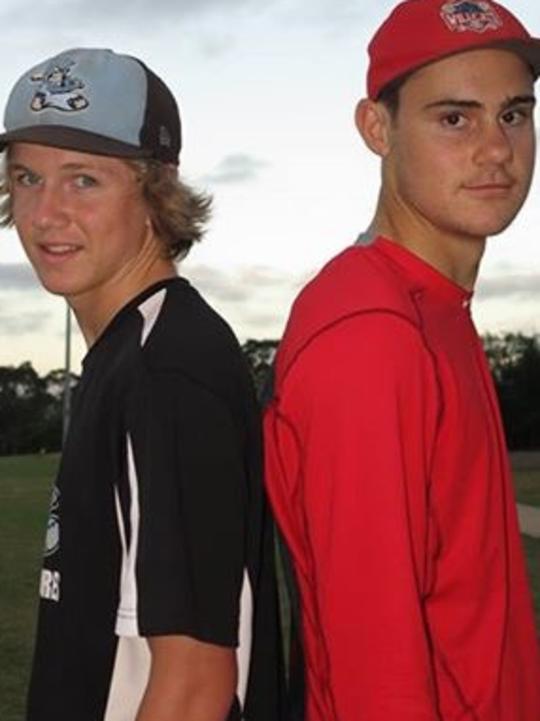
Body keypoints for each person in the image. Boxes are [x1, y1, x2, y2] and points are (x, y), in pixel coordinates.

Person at [263, 1, 540, 719]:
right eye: (454, 117)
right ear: (376, 129)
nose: (495, 149)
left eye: (513, 113)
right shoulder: (370, 331)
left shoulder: (435, 307)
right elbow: (374, 665)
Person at [0, 47, 284, 721]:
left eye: (84, 181)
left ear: (157, 189)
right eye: (27, 179)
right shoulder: (129, 355)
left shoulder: (167, 370)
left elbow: (193, 683)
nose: (44, 215)